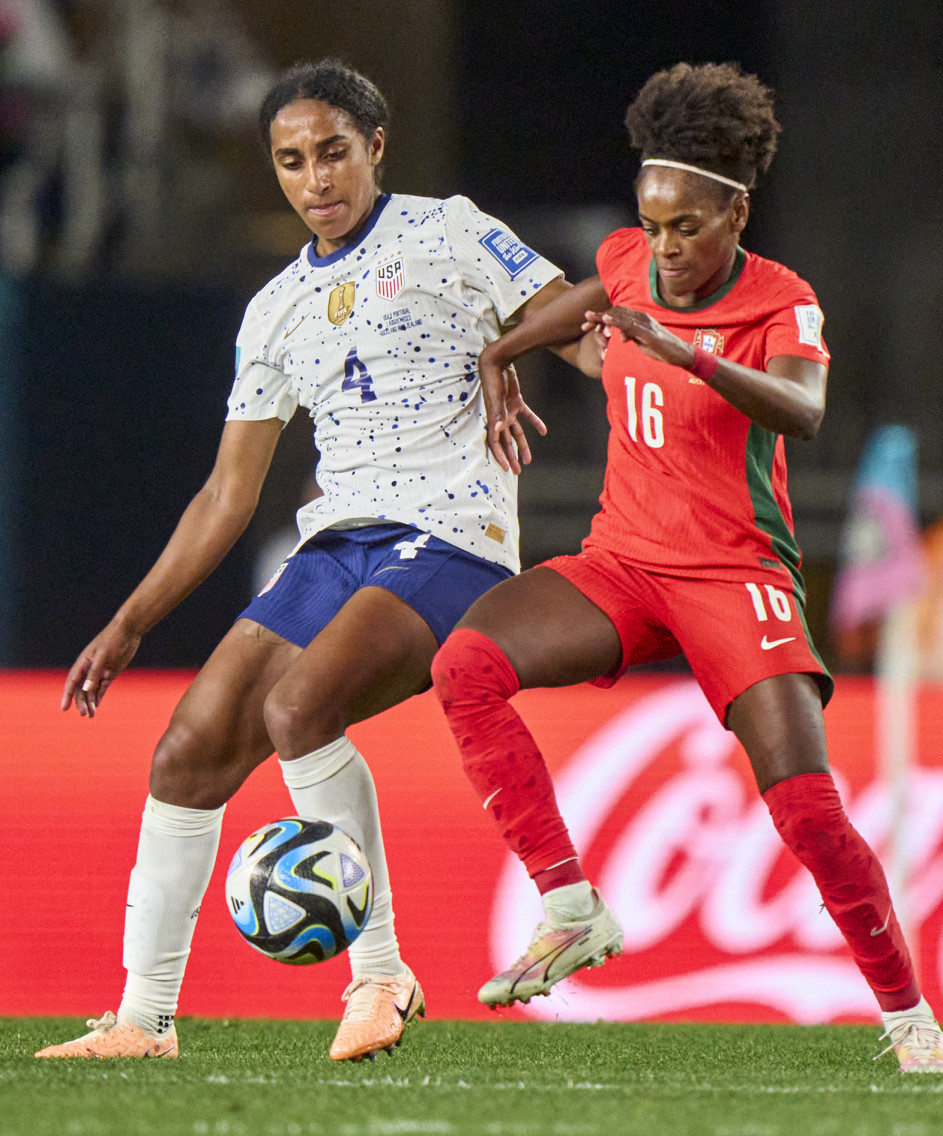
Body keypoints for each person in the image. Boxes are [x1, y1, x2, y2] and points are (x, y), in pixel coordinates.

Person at [35, 58, 601, 1063]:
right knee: (187, 751)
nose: (316, 179)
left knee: (299, 709)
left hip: (452, 537)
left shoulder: (450, 231)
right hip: (337, 545)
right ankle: (142, 1021)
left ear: (374, 147)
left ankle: (379, 975)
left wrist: (523, 353)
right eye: (292, 162)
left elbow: (581, 325)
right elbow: (228, 493)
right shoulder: (275, 309)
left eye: (333, 152)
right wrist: (130, 622)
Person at [430, 61, 943, 1073]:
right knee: (464, 669)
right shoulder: (628, 260)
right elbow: (583, 302)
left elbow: (801, 408)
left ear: (734, 211)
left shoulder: (781, 300)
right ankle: (571, 907)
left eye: (687, 228)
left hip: (732, 577)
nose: (663, 248)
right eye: (653, 224)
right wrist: (502, 354)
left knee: (803, 806)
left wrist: (686, 354)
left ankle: (907, 1016)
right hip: (623, 564)